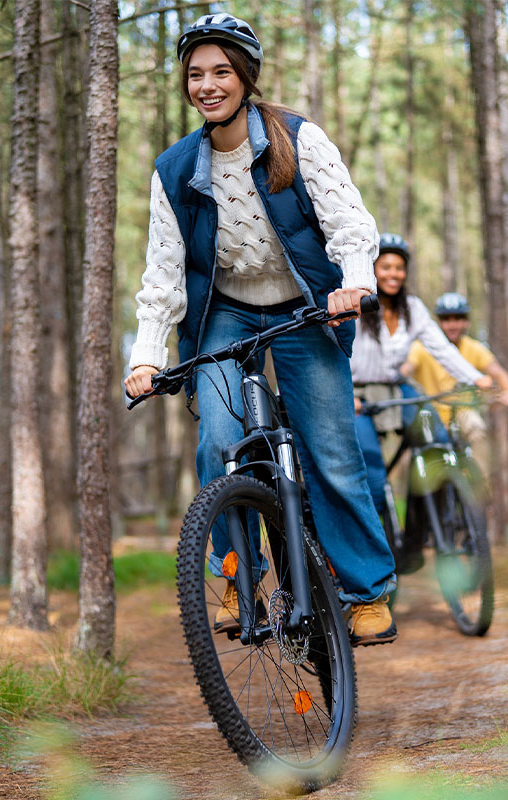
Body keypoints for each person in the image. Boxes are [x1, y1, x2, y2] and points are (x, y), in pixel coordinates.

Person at [122, 14, 398, 645]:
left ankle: (365, 593)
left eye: (221, 71)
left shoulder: (296, 140)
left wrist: (352, 282)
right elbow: (162, 275)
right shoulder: (173, 169)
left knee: (329, 449)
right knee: (219, 442)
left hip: (305, 304)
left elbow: (351, 225)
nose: (208, 85)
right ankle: (237, 575)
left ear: (245, 76)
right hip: (228, 310)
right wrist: (145, 356)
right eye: (196, 75)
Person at [350, 235, 494, 528]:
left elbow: (442, 349)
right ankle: (379, 536)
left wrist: (477, 378)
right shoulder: (357, 301)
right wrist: (343, 392)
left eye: (399, 268)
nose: (394, 274)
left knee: (437, 444)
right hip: (357, 394)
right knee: (372, 468)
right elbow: (336, 348)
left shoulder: (412, 309)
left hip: (396, 389)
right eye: (386, 266)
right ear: (373, 269)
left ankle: (421, 531)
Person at [404, 292, 508, 451]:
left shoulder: (474, 348)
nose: (453, 325)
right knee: (415, 445)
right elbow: (406, 368)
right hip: (428, 413)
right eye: (446, 319)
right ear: (438, 322)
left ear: (466, 321)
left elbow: (498, 372)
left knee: (476, 429)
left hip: (462, 412)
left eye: (458, 318)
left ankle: (479, 475)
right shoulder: (421, 348)